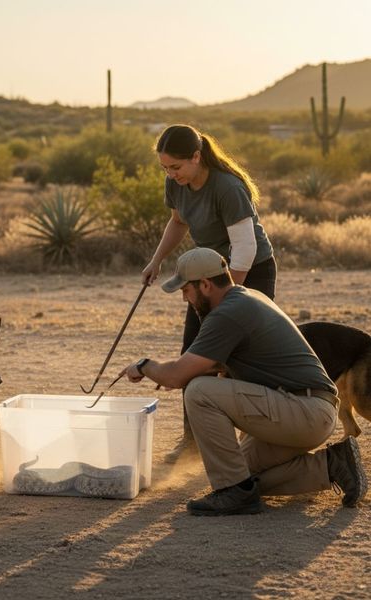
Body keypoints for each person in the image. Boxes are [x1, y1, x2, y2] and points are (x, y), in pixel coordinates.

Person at [123, 247, 368, 516]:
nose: (185, 299)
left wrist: (144, 366)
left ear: (205, 284)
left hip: (304, 411)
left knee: (198, 392)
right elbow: (209, 365)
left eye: (185, 290)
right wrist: (178, 371)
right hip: (307, 411)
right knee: (242, 473)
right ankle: (333, 465)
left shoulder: (227, 313)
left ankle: (234, 494)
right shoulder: (246, 298)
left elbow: (178, 376)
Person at [141, 124, 277, 456]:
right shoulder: (176, 184)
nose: (171, 175)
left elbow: (244, 249)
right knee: (194, 353)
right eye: (165, 168)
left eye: (176, 167)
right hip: (207, 275)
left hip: (250, 271)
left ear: (197, 157)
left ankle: (255, 441)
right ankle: (193, 442)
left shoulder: (227, 187)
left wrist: (227, 301)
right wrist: (156, 261)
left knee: (241, 356)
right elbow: (177, 222)